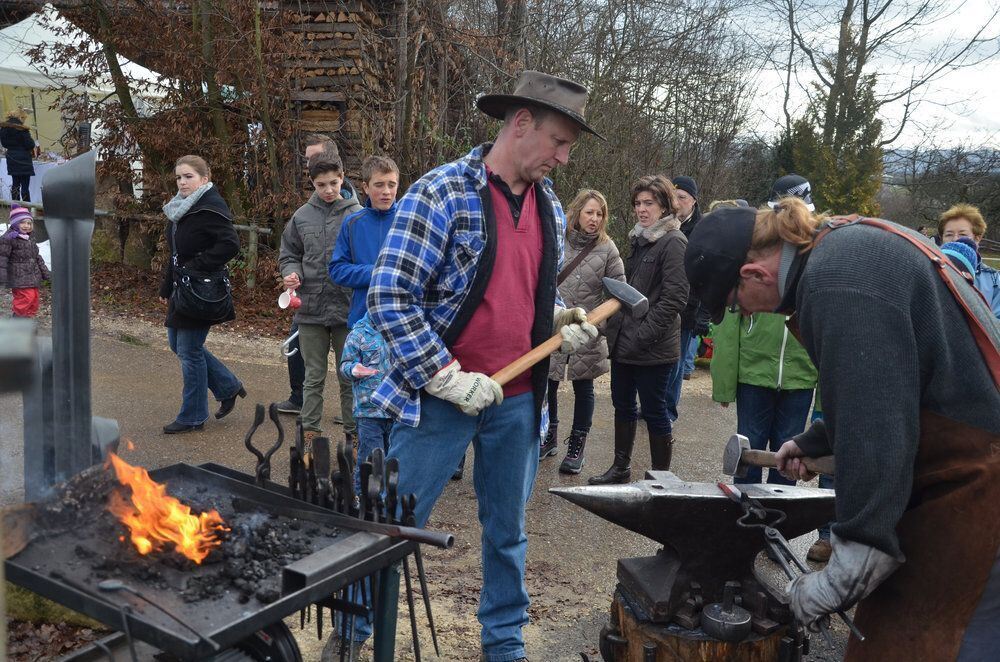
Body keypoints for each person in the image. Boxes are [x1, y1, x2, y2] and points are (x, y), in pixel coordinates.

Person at [685, 198, 1000, 660]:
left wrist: (853, 559)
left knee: (940, 645)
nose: (747, 316)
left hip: (979, 492)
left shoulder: (839, 280)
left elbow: (880, 430)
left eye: (737, 307)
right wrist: (817, 441)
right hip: (956, 480)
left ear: (753, 275)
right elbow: (884, 389)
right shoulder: (841, 247)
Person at [368, 70, 600, 662]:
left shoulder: (548, 206)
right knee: (391, 529)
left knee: (508, 534)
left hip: (518, 400)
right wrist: (444, 375)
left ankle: (504, 645)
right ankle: (351, 635)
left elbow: (524, 288)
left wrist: (558, 319)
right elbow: (390, 296)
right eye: (559, 141)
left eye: (570, 146)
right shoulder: (440, 193)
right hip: (437, 400)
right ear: (521, 124)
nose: (564, 158)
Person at [590, 175, 689, 484]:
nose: (642, 210)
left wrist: (644, 335)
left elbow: (675, 298)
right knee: (622, 405)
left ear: (664, 206)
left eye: (649, 203)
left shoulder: (674, 242)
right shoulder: (641, 240)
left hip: (653, 347)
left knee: (655, 409)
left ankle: (661, 478)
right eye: (637, 204)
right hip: (625, 343)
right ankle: (620, 468)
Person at [279, 153, 362, 447]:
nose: (328, 190)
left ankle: (354, 437)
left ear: (343, 178)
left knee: (349, 377)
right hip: (310, 309)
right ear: (312, 183)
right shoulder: (301, 217)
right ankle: (309, 435)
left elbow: (366, 257)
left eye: (333, 183)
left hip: (348, 309)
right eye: (321, 184)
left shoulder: (356, 214)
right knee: (313, 377)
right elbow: (289, 254)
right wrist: (291, 274)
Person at [158, 155, 244, 434]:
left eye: (189, 177)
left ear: (204, 179)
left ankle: (193, 416)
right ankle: (227, 386)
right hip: (181, 288)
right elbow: (174, 253)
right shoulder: (180, 208)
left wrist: (197, 266)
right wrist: (166, 287)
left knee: (189, 350)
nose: (182, 182)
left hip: (201, 289)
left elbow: (230, 244)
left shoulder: (210, 208)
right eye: (179, 177)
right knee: (176, 344)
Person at [541, 189, 625, 474]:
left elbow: (618, 294)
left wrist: (596, 325)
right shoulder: (556, 239)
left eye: (600, 214)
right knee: (547, 382)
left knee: (583, 387)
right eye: (589, 212)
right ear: (576, 212)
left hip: (588, 330)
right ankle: (548, 436)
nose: (595, 219)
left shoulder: (608, 248)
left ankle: (577, 447)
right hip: (554, 324)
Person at [328, 155, 400, 329]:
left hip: (402, 321)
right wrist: (375, 272)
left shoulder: (410, 221)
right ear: (366, 187)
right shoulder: (353, 223)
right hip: (363, 321)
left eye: (392, 184)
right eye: (379, 185)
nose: (386, 192)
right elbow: (337, 270)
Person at [662, 175, 707, 423]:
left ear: (693, 201)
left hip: (688, 308)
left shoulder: (701, 230)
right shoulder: (664, 223)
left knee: (676, 365)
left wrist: (702, 314)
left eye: (683, 198)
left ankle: (669, 410)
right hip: (663, 305)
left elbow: (705, 275)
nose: (677, 203)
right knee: (658, 362)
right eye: (674, 197)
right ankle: (653, 407)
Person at [937, 203, 1000, 318]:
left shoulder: (994, 280)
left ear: (977, 238)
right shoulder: (930, 271)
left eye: (963, 234)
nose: (955, 239)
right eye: (949, 234)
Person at [0, 205, 49, 317]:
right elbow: (2, 258)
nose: (26, 226)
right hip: (18, 277)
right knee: (26, 298)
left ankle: (27, 322)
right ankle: (17, 320)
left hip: (32, 276)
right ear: (15, 223)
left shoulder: (29, 238)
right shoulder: (8, 239)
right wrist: (2, 276)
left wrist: (45, 273)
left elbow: (37, 257)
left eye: (29, 223)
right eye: (22, 222)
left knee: (34, 300)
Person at [1, 109, 36, 202]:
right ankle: (26, 209)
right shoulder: (22, 129)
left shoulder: (4, 128)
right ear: (19, 117)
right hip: (23, 159)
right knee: (25, 186)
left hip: (12, 157)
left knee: (15, 185)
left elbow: (4, 144)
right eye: (23, 118)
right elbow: (30, 144)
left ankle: (15, 208)